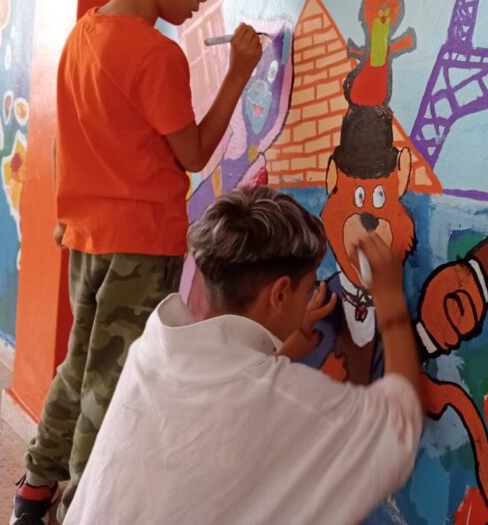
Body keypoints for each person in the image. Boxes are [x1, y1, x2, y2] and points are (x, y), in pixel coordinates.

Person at [12, 0, 264, 525]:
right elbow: (194, 153)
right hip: (142, 244)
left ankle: (35, 490)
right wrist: (237, 73)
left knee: (79, 365)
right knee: (114, 383)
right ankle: (83, 508)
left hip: (87, 240)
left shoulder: (82, 35)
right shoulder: (156, 54)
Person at [64, 186, 423, 524]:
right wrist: (390, 298)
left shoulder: (155, 346)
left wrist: (290, 339)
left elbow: (230, 389)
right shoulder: (278, 397)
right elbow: (398, 428)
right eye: (306, 288)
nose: (309, 296)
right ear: (279, 294)